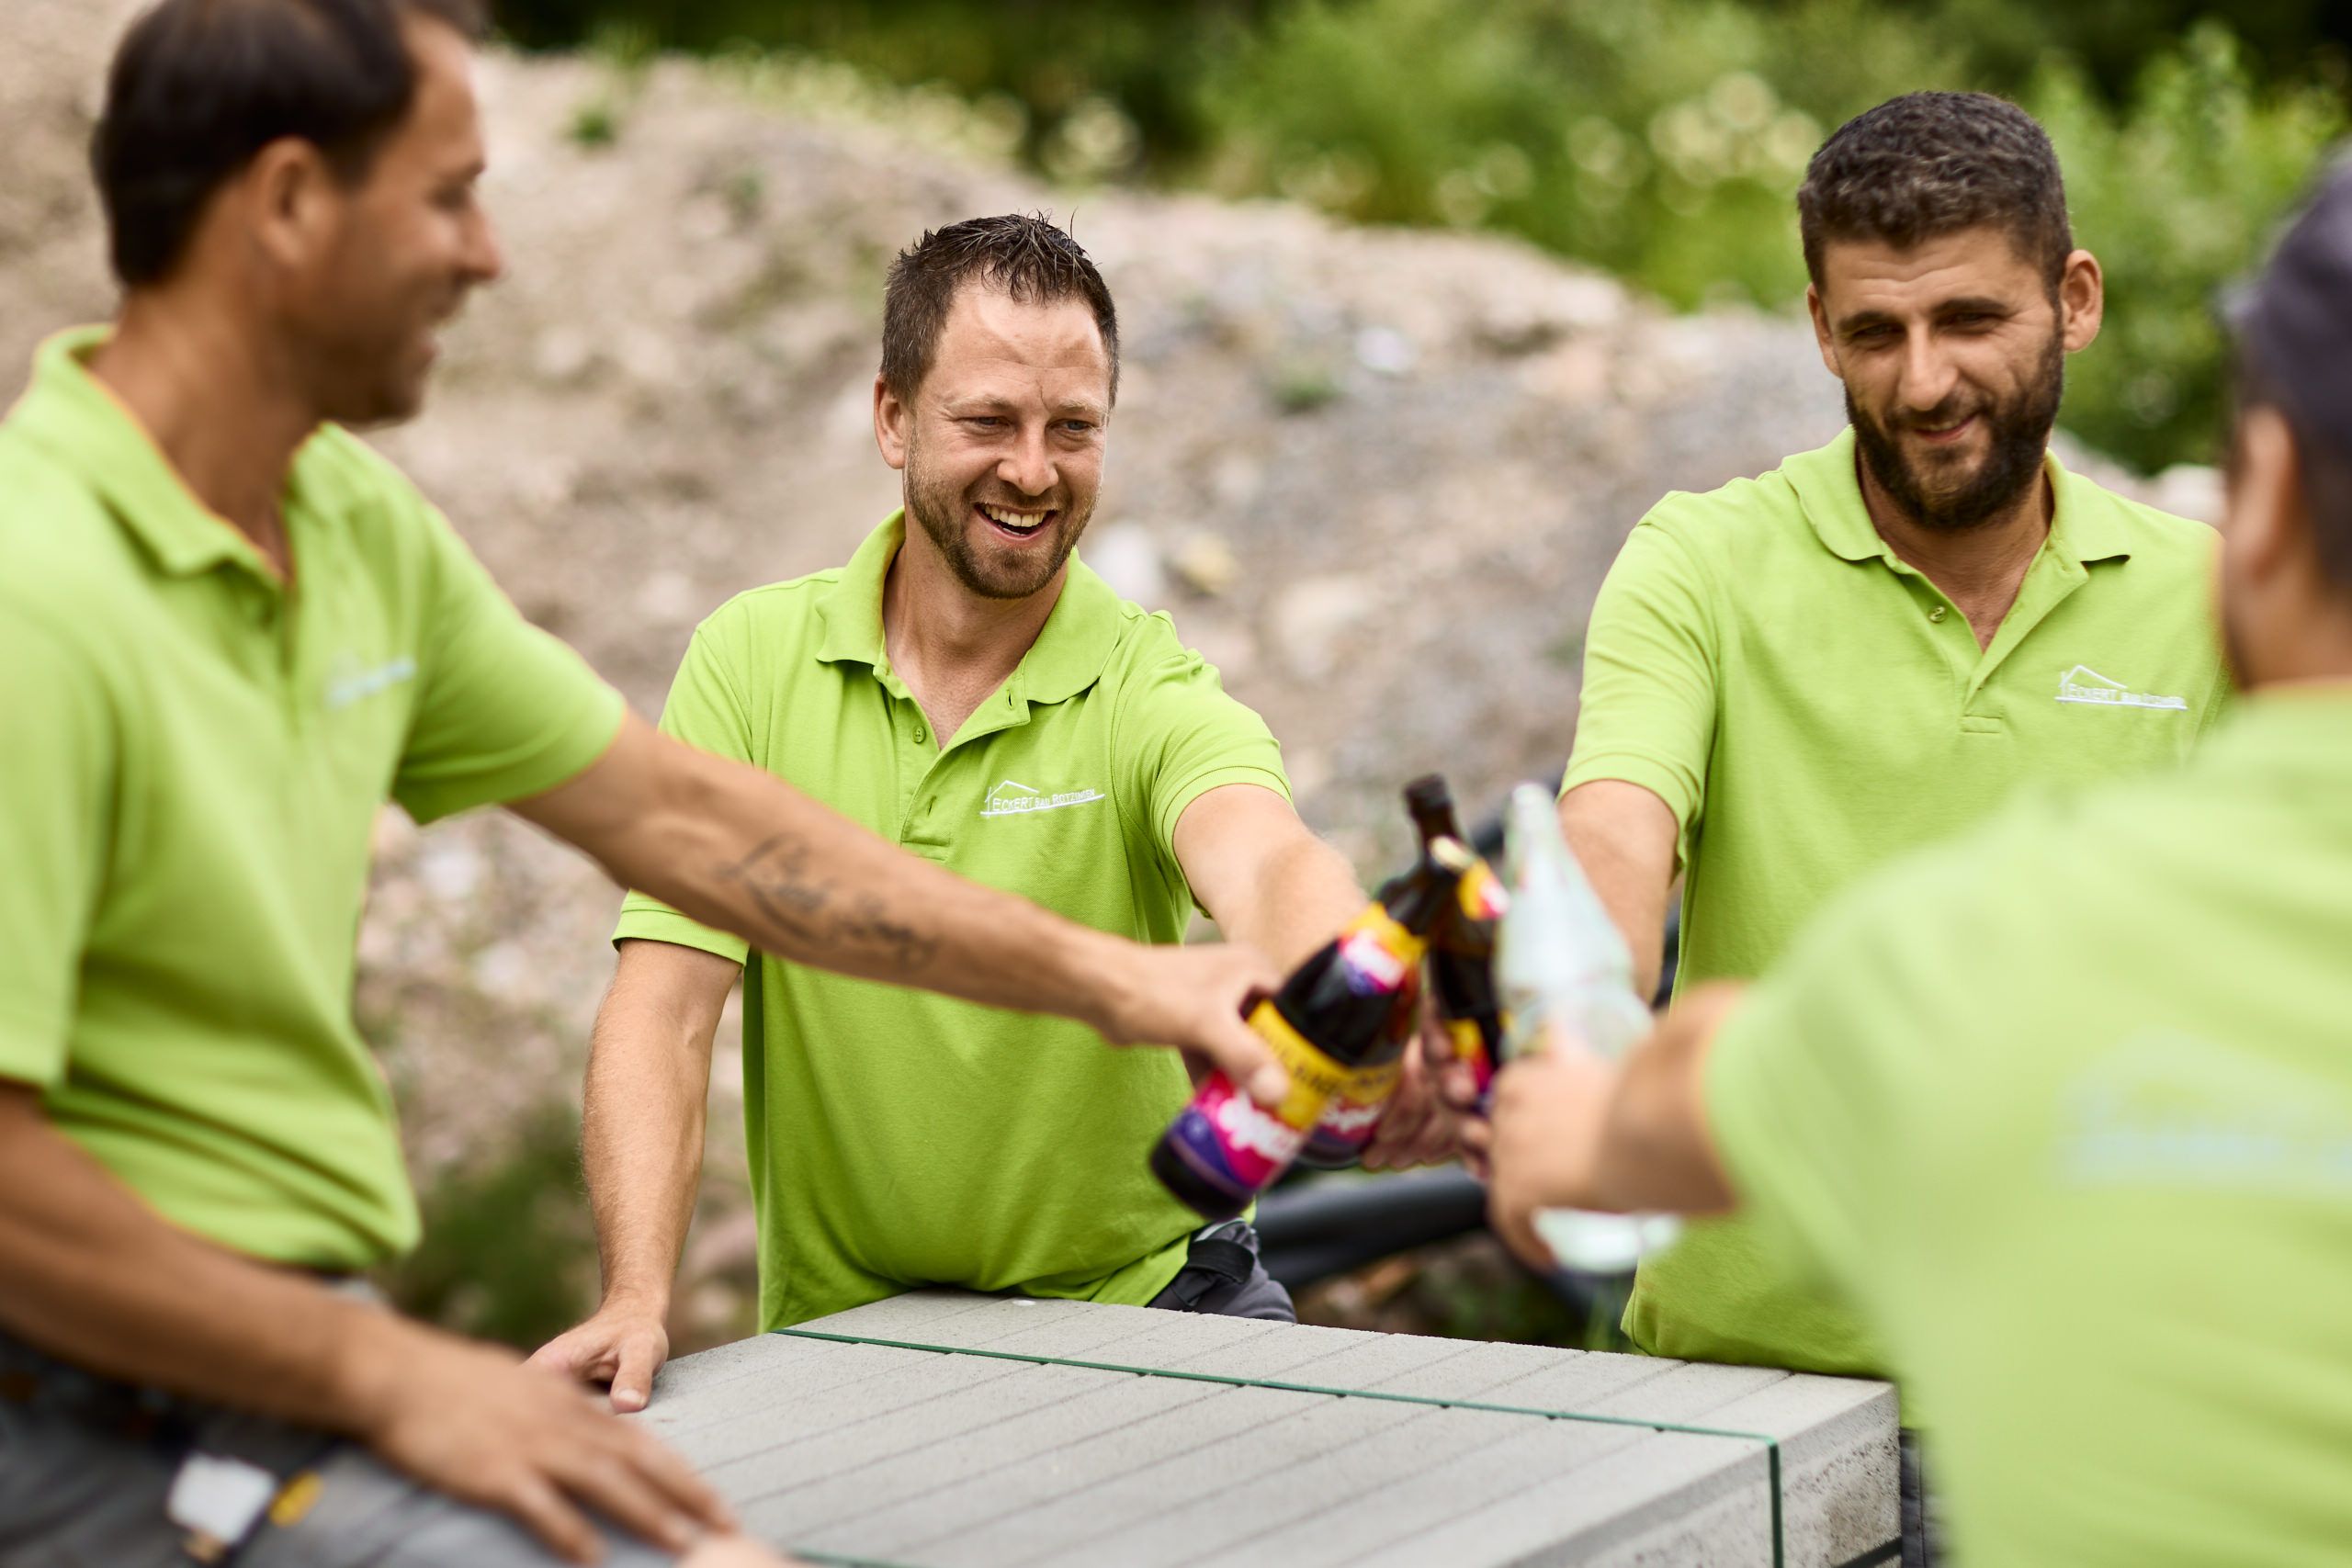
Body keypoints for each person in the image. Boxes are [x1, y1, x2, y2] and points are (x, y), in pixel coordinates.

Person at [0, 6, 1287, 1566]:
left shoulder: (349, 529)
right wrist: (401, 1373)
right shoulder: (35, 588)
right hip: (98, 1398)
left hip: (290, 1353)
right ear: (284, 205)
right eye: (448, 195)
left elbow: (701, 832)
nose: (486, 256)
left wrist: (1138, 987)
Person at [1487, 164, 2352, 1567]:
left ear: (2074, 301)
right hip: (1738, 1392)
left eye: (1969, 319)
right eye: (1878, 334)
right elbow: (1614, 828)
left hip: (2065, 1407)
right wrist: (1579, 997)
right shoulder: (1701, 560)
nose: (1926, 380)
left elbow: (1653, 1118)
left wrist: (1579, 1118)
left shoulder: (1955, 950)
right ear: (1820, 328)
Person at [529, 214, 1424, 1411]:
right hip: (849, 1344)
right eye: (988, 421)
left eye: (1075, 429)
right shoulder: (750, 663)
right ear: (893, 416)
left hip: (1155, 1307)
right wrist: (637, 1295)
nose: (1034, 471)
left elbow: (1264, 858)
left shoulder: (1143, 684)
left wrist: (1358, 989)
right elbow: (667, 1009)